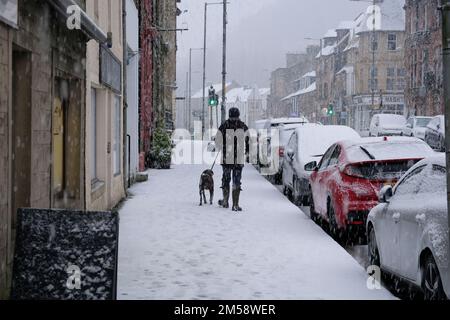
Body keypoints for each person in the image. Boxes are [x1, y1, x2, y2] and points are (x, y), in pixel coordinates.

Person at [216, 107, 249, 212]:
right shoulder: (242, 126)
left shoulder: (224, 126)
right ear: (238, 115)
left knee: (226, 179)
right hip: (238, 158)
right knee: (236, 180)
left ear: (229, 115)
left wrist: (221, 147)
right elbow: (248, 139)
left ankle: (225, 201)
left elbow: (217, 140)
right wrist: (247, 151)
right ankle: (235, 204)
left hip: (227, 157)